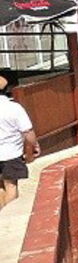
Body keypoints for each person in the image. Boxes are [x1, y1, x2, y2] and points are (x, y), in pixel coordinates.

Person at [0, 77, 39, 211]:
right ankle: (8, 216)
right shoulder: (14, 108)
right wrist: (34, 146)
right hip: (10, 153)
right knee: (11, 185)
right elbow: (27, 131)